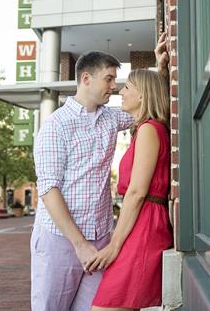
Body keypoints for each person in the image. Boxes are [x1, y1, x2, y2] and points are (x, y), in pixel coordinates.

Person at [31, 34, 169, 311]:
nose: (114, 87)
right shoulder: (55, 125)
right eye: (108, 79)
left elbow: (147, 104)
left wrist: (161, 69)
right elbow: (47, 189)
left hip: (101, 238)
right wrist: (79, 244)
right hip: (60, 239)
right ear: (86, 79)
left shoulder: (112, 117)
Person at [86, 68, 172, 310]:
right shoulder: (149, 128)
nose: (120, 92)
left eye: (126, 88)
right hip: (143, 222)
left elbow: (136, 193)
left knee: (106, 305)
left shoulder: (149, 129)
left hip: (144, 226)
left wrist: (114, 245)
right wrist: (161, 67)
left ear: (142, 95)